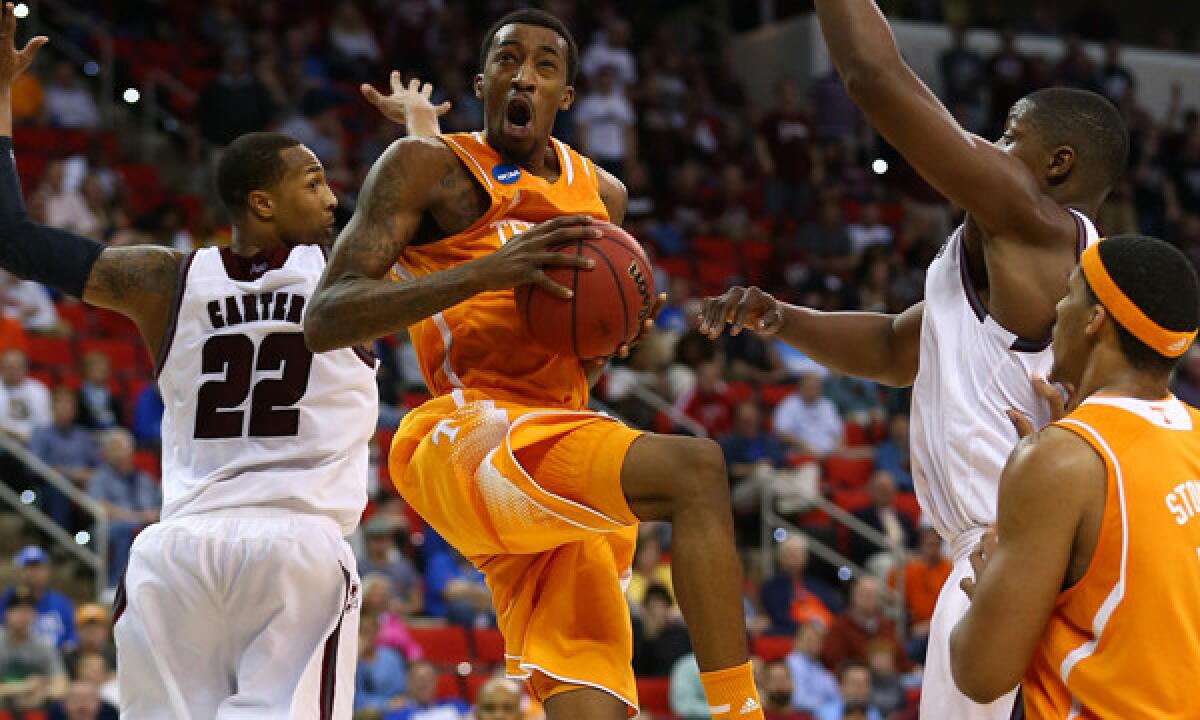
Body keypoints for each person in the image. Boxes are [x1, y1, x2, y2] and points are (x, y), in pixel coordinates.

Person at [306, 9, 764, 719]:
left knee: (595, 700)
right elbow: (326, 317)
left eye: (545, 65)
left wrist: (608, 345)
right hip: (465, 434)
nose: (525, 74)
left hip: (556, 443)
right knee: (697, 470)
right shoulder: (428, 166)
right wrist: (487, 272)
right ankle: (742, 711)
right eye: (508, 59)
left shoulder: (603, 195)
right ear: (483, 80)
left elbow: (572, 352)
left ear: (566, 95)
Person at [0, 10, 445, 715]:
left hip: (174, 556)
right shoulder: (345, 277)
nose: (332, 199)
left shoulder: (162, 279)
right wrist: (423, 131)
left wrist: (0, 99)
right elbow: (433, 215)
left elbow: (12, 239)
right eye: (314, 182)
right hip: (294, 548)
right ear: (262, 202)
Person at [699, 0, 1127, 715]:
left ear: (1058, 164)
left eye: (1006, 136)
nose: (988, 148)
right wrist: (785, 320)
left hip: (1008, 557)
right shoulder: (1022, 256)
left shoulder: (1037, 224)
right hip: (1005, 554)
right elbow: (901, 348)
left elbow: (872, 75)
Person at [951, 236, 1200, 717]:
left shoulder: (1060, 461)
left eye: (1069, 293)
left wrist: (984, 600)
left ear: (1094, 320)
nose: (1057, 308)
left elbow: (980, 674)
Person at [87, 428, 161, 589]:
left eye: (122, 448)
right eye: (114, 449)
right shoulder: (99, 478)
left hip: (145, 525)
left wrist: (155, 515)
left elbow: (159, 505)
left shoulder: (144, 478)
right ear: (105, 454)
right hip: (110, 528)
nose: (119, 454)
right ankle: (116, 586)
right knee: (125, 529)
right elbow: (100, 507)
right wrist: (137, 517)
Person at [0, 584, 67, 713]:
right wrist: (26, 686)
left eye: (28, 609)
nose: (23, 615)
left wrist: (43, 693)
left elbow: (62, 685)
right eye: (18, 609)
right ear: (6, 613)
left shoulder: (43, 644)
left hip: (35, 710)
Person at [0, 546, 77, 651]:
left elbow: (72, 636)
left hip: (56, 659)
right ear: (19, 571)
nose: (33, 573)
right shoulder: (8, 601)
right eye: (28, 567)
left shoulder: (62, 603)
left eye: (38, 567)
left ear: (47, 571)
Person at [383, 660, 469, 720]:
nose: (425, 684)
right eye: (420, 680)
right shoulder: (398, 715)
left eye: (429, 679)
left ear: (436, 682)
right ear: (409, 684)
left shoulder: (456, 704)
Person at [784, 622, 838, 717]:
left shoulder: (818, 665)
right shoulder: (793, 663)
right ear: (796, 641)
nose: (813, 644)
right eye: (809, 640)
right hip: (803, 715)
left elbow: (834, 692)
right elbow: (798, 700)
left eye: (817, 641)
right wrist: (825, 707)